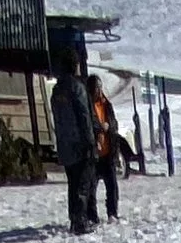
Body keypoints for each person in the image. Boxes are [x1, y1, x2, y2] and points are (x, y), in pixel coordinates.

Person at [52, 63, 98, 231]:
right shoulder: (76, 88)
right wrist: (90, 142)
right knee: (83, 184)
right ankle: (80, 221)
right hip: (80, 144)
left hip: (65, 145)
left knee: (73, 183)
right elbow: (84, 116)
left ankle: (74, 218)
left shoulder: (57, 89)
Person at [89, 80, 129, 220]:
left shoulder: (107, 105)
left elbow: (114, 124)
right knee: (91, 189)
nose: (98, 91)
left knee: (112, 187)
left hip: (108, 152)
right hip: (94, 154)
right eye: (96, 88)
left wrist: (109, 126)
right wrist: (99, 128)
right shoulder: (87, 106)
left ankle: (112, 213)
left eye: (100, 87)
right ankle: (92, 216)